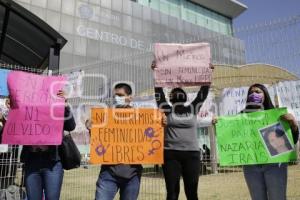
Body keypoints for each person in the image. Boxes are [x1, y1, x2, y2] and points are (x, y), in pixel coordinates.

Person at [213, 83, 299, 200]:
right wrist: (219, 124)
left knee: (277, 197)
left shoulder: (276, 115)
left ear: (265, 95)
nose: (254, 94)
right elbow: (229, 136)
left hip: (275, 165)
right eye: (251, 93)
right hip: (251, 167)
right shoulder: (242, 117)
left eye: (258, 92)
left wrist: (293, 125)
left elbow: (291, 141)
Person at [152, 61, 211, 200]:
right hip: (170, 155)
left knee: (192, 193)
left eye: (180, 92)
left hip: (192, 155)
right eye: (174, 93)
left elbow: (202, 94)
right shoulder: (166, 109)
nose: (177, 94)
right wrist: (156, 73)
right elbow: (158, 93)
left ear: (184, 97)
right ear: (170, 98)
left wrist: (208, 74)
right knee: (172, 193)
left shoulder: (193, 108)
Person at [20, 90, 76, 200]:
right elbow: (15, 128)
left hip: (52, 162)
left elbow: (70, 126)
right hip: (32, 161)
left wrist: (65, 106)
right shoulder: (27, 111)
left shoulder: (56, 111)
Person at [95, 83, 141, 200]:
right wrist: (91, 127)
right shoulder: (106, 116)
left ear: (130, 97)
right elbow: (98, 141)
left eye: (120, 95)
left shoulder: (141, 118)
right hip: (109, 173)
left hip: (132, 174)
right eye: (115, 95)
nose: (117, 98)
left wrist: (162, 124)